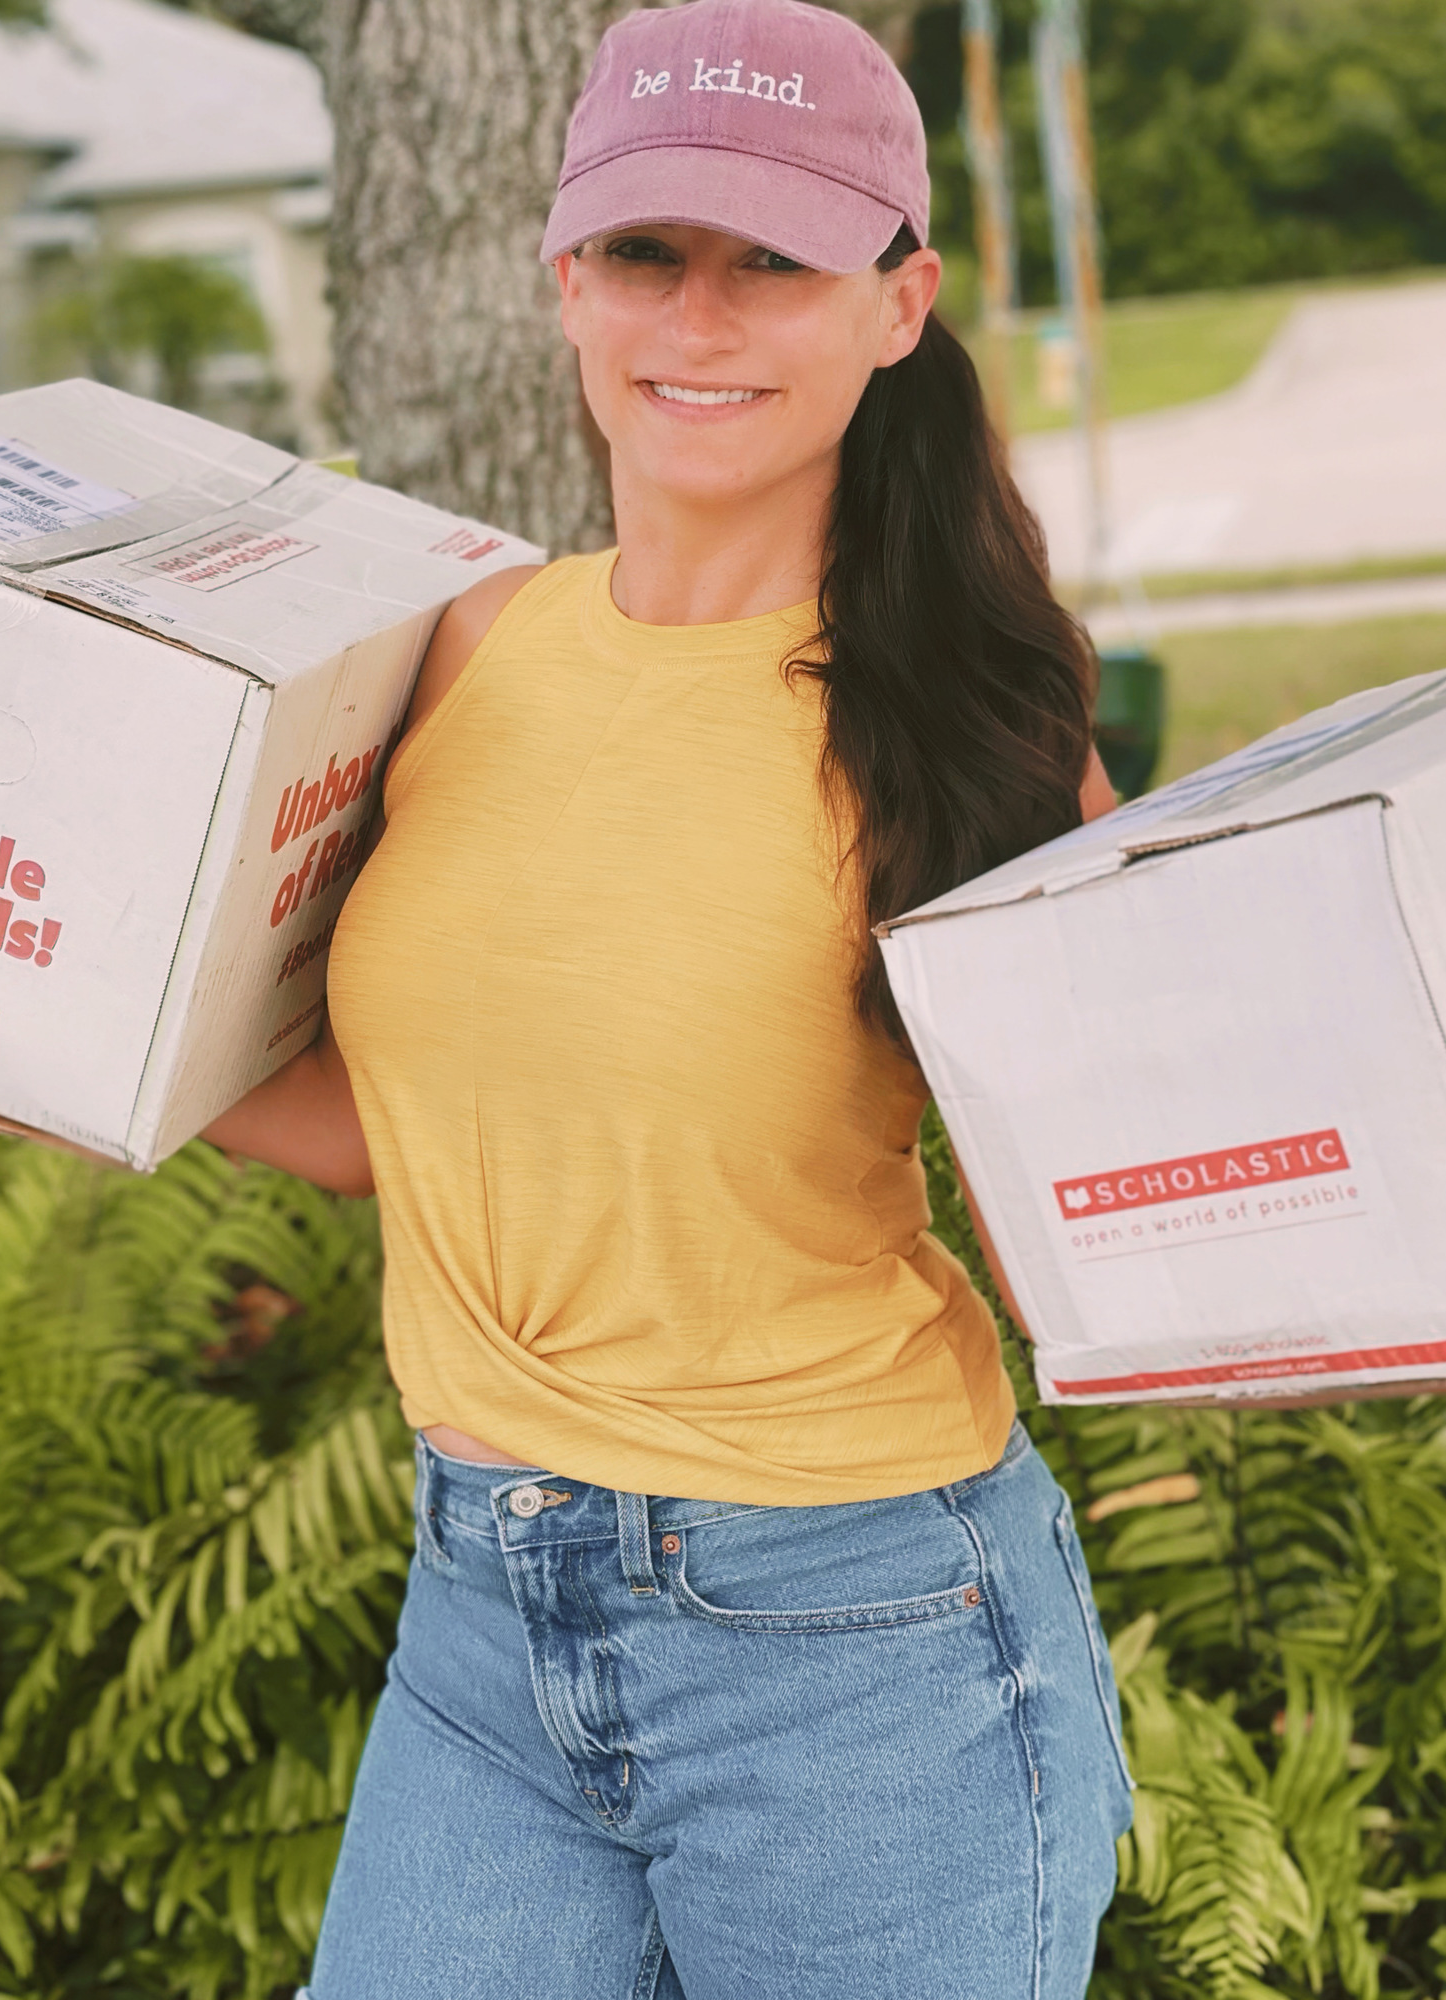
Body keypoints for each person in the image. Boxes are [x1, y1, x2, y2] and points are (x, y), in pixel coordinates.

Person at [204, 2, 1134, 1992]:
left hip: (858, 1641)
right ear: (562, 273)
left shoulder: (973, 727)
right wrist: (1, 1033)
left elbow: (1146, 1200)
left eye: (769, 263)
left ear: (897, 302)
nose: (696, 318)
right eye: (647, 253)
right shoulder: (456, 649)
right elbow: (396, 1134)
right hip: (482, 1615)